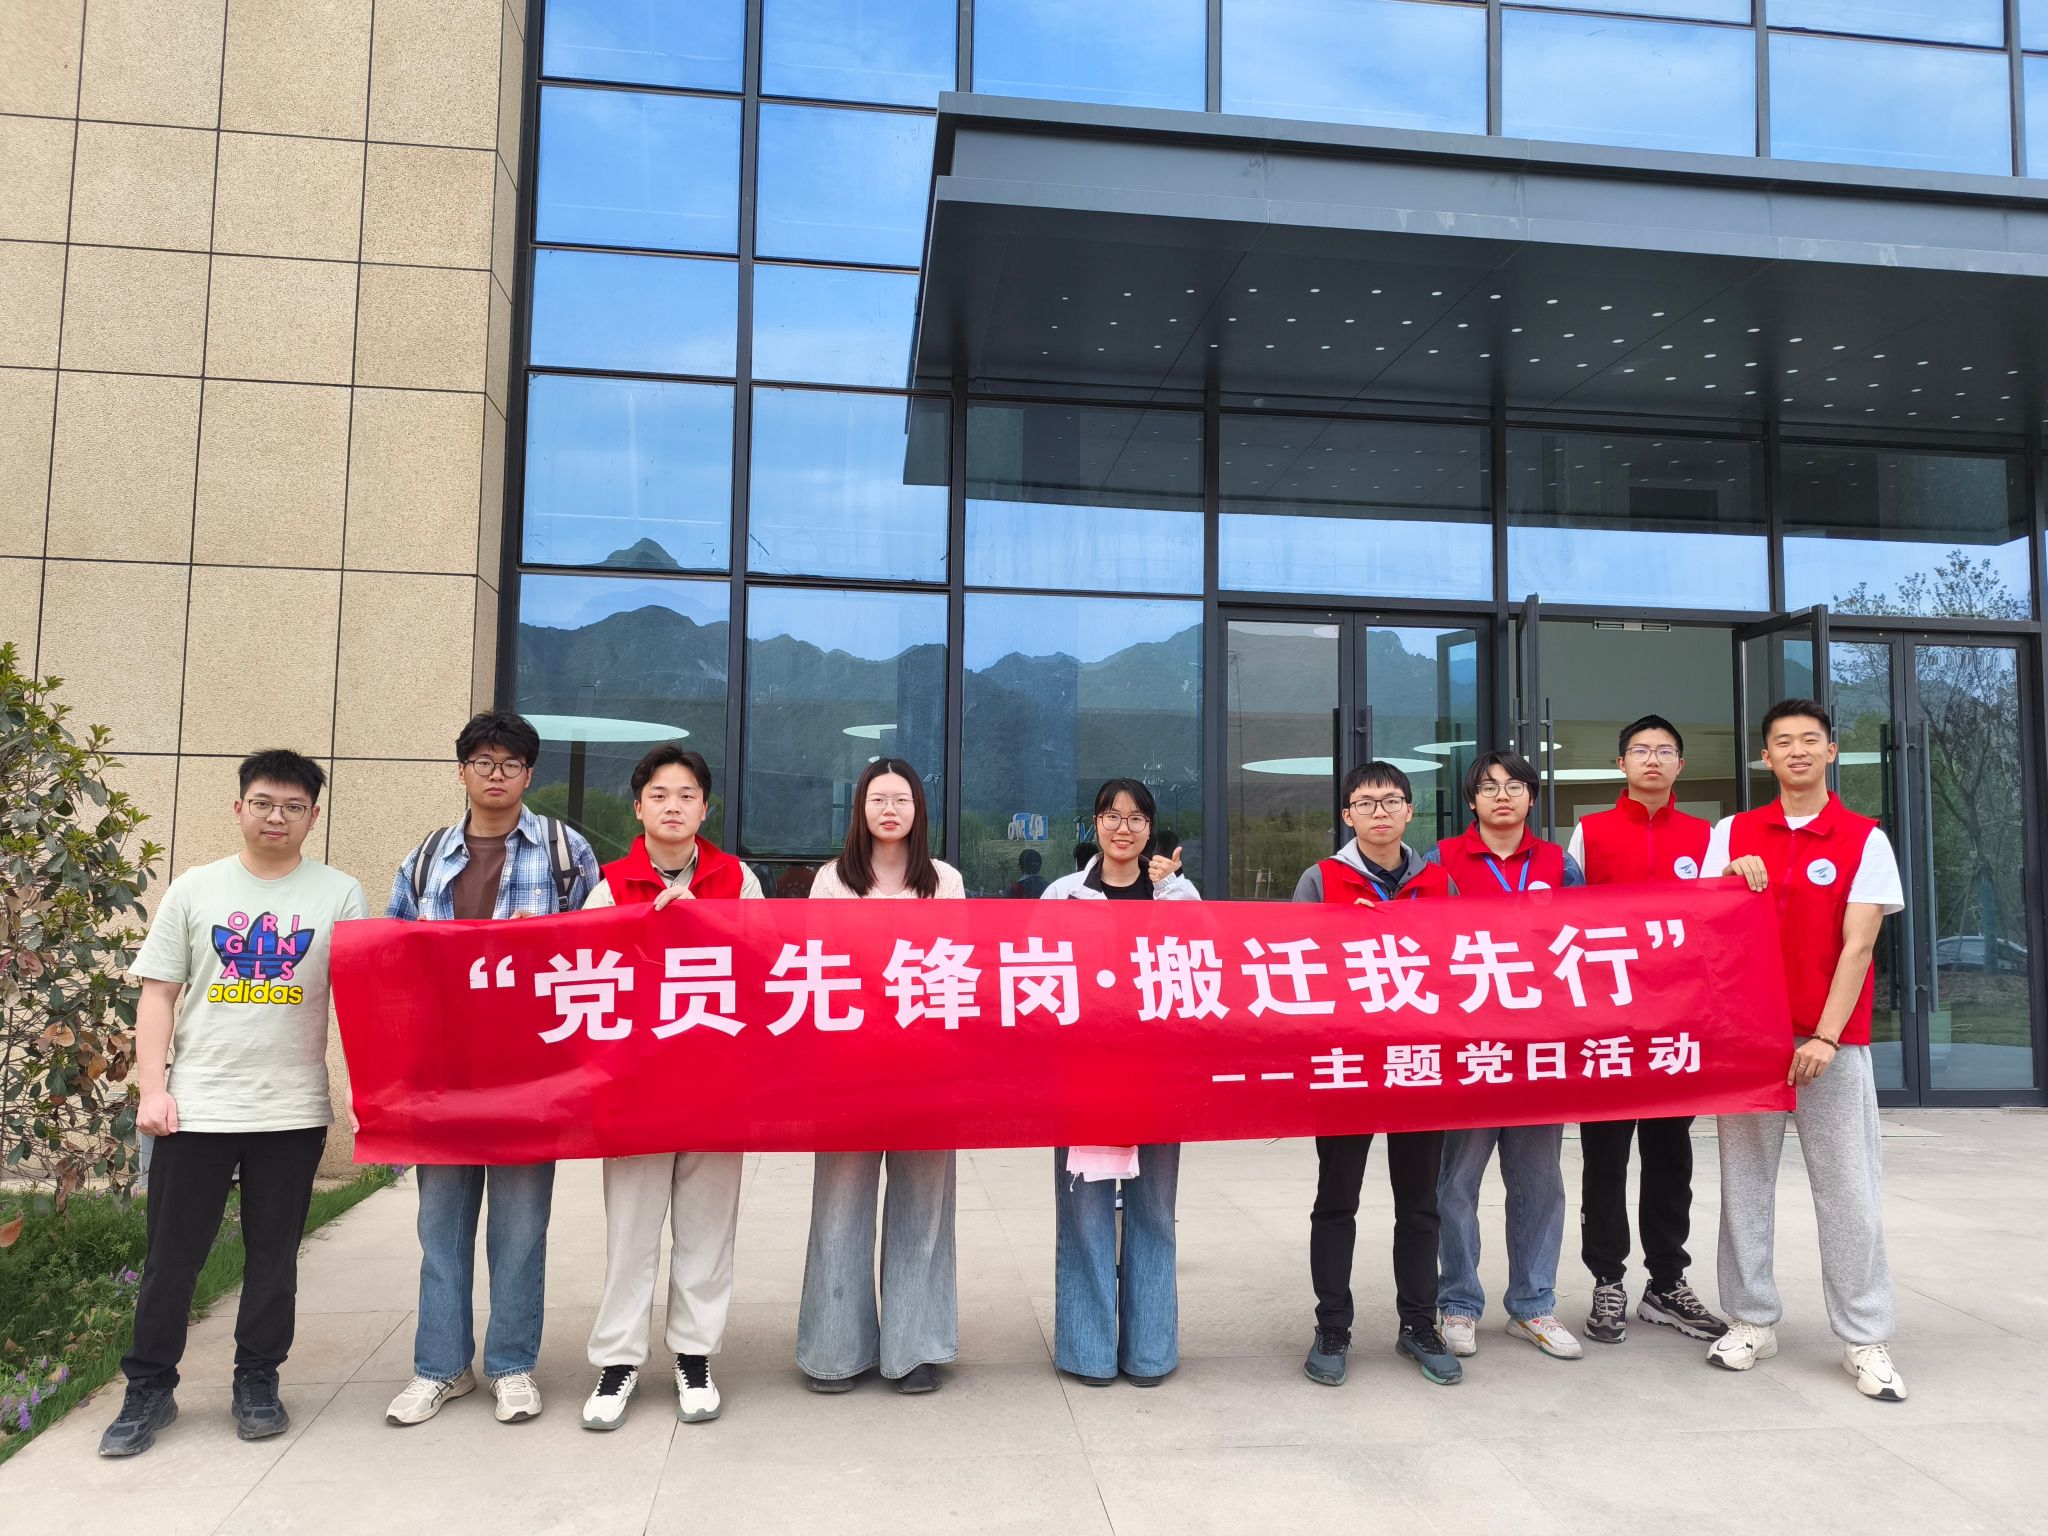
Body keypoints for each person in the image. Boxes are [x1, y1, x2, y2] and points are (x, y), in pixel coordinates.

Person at [99, 751, 368, 1457]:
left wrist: (361, 1086)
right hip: (197, 1107)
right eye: (264, 803)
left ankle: (257, 1380)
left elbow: (359, 1000)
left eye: (293, 806)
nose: (277, 817)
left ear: (313, 815)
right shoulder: (195, 889)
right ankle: (148, 1387)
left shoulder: (340, 893)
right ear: (239, 807)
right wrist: (152, 1089)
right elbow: (158, 992)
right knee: (172, 1258)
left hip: (291, 1109)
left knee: (273, 1258)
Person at [383, 712, 600, 1428]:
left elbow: (598, 955)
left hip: (530, 1076)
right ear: (462, 772)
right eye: (483, 762)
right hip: (444, 1074)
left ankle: (511, 1366)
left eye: (510, 763)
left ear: (528, 774)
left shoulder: (566, 852)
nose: (496, 774)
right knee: (441, 1227)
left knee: (520, 1228)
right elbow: (392, 962)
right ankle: (440, 1368)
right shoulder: (426, 858)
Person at [1706, 699, 1907, 1401]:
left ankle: (1864, 1335)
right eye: (1783, 741)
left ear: (1831, 752)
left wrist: (1825, 1035)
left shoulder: (1864, 838)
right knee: (1744, 1187)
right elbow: (1705, 926)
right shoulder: (1732, 833)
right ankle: (1751, 1320)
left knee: (1849, 1190)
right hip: (1748, 1042)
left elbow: (1859, 944)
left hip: (1832, 1044)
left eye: (1809, 740)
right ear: (1765, 757)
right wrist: (1730, 876)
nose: (1797, 751)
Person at [577, 745, 762, 1432]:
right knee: (630, 1231)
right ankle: (618, 1359)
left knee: (708, 1230)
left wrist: (703, 920)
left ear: (705, 809)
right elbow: (586, 976)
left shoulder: (737, 878)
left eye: (687, 795)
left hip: (716, 1085)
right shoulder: (608, 884)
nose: (673, 806)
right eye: (659, 795)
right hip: (636, 1087)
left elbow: (765, 963)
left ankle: (694, 1354)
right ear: (638, 808)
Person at [1291, 761, 1462, 1389]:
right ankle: (1332, 1325)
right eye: (1366, 802)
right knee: (1336, 1200)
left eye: (1392, 801)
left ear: (1410, 811)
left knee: (1420, 1204)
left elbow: (1461, 965)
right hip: (1347, 1064)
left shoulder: (1439, 882)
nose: (1380, 811)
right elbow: (1298, 964)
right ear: (1348, 815)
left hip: (1418, 1063)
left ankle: (1418, 1322)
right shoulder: (1321, 879)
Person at [799, 758, 966, 1393]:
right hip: (848, 1068)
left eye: (901, 799)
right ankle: (835, 1350)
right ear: (860, 808)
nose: (889, 809)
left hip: (927, 1068)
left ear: (918, 809)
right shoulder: (830, 881)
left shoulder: (944, 881)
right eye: (877, 799)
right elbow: (814, 968)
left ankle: (914, 1348)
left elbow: (958, 971)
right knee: (840, 1204)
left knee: (924, 1205)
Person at [1565, 715, 1727, 1347]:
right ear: (1621, 764)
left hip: (1676, 1026)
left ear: (1681, 765)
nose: (1652, 759)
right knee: (1604, 1157)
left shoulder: (1706, 838)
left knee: (1670, 1156)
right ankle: (1607, 1279)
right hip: (1607, 1025)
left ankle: (1666, 1283)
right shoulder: (1591, 832)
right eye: (1641, 750)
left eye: (1664, 751)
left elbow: (1720, 923)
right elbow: (1565, 922)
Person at [1430, 751, 1588, 1361]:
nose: (1502, 796)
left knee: (1539, 1183)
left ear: (1531, 797)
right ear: (1471, 800)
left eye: (1515, 786)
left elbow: (1586, 942)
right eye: (1489, 787)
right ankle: (1458, 1303)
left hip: (1540, 1049)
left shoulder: (1558, 864)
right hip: (1468, 1048)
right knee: (1457, 1184)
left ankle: (1533, 1304)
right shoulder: (1442, 860)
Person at [1041, 779, 1197, 1387]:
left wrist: (1175, 890)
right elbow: (1036, 974)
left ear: (1150, 827)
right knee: (1084, 1213)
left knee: (1154, 1210)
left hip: (1158, 1074)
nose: (1123, 827)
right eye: (1111, 815)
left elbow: (1203, 969)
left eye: (1135, 818)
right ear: (1095, 824)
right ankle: (1089, 1351)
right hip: (1083, 1074)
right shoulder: (1064, 894)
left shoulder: (1175, 895)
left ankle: (1151, 1351)